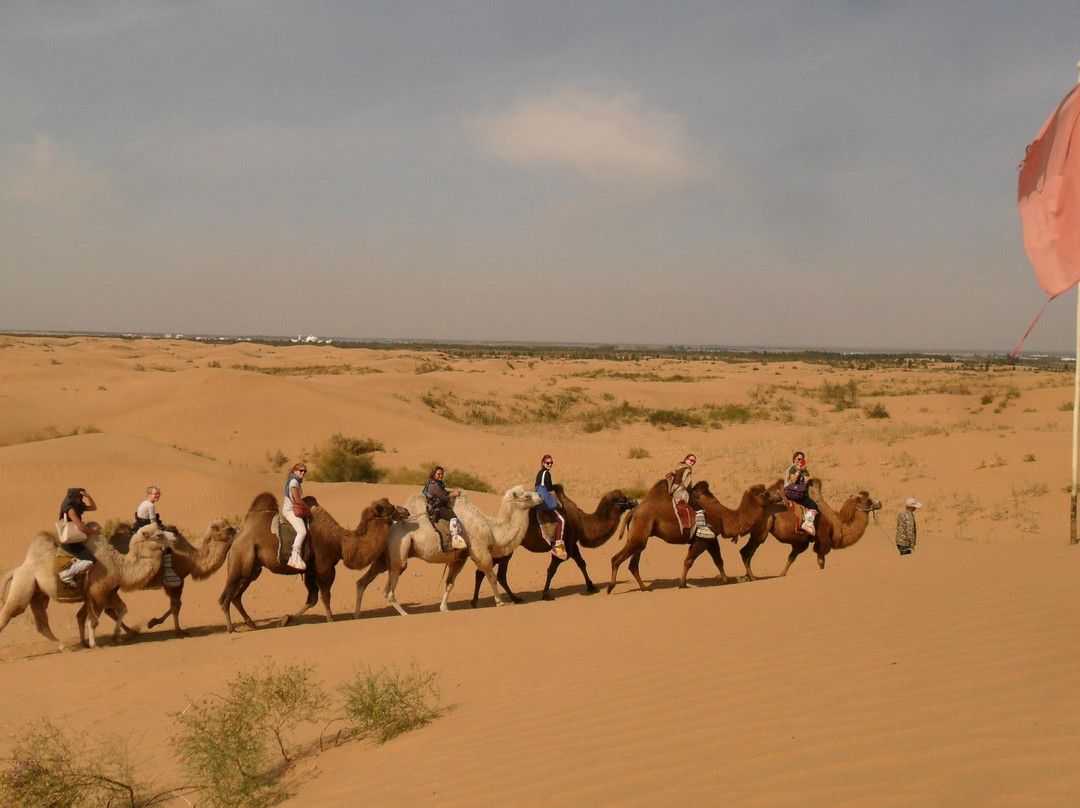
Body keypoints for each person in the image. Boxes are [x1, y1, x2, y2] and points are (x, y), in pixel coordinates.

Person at [133, 485, 181, 587]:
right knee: (170, 540)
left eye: (159, 493)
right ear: (149, 495)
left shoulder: (145, 503)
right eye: (156, 494)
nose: (158, 495)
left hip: (141, 528)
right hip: (147, 531)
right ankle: (167, 571)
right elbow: (153, 524)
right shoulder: (150, 506)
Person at [57, 487, 100, 586]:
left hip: (76, 539)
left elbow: (93, 508)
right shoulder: (70, 510)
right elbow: (81, 527)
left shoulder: (78, 507)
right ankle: (66, 575)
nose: (79, 499)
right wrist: (94, 532)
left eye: (80, 497)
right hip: (70, 542)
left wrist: (88, 496)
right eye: (77, 497)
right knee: (91, 560)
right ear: (72, 497)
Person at [668, 454, 715, 540]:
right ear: (686, 459)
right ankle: (702, 529)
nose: (692, 462)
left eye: (694, 462)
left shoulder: (680, 467)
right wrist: (693, 492)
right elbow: (686, 485)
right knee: (699, 508)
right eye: (691, 460)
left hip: (675, 492)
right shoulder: (686, 470)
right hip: (681, 493)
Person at [423, 466, 466, 550]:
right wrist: (453, 494)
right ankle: (455, 539)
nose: (440, 475)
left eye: (442, 474)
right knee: (453, 516)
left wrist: (452, 492)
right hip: (436, 508)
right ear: (434, 474)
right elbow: (444, 498)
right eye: (438, 474)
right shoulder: (433, 485)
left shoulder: (437, 484)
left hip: (437, 506)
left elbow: (444, 493)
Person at [535, 455, 567, 560]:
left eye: (551, 463)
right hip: (545, 503)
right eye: (547, 463)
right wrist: (558, 502)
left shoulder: (539, 473)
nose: (549, 465)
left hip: (539, 502)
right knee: (561, 520)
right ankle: (558, 548)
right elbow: (550, 490)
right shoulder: (547, 473)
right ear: (543, 463)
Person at [282, 463, 309, 570]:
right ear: (295, 471)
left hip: (290, 509)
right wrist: (307, 508)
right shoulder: (294, 482)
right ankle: (294, 557)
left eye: (304, 471)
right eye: (300, 470)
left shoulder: (295, 481)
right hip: (290, 511)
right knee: (302, 531)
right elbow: (297, 500)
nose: (302, 473)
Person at [784, 450, 819, 535]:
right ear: (794, 459)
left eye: (802, 459)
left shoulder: (799, 468)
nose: (800, 461)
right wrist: (798, 471)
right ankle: (808, 523)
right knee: (813, 505)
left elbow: (808, 475)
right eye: (798, 459)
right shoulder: (793, 468)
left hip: (796, 492)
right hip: (793, 492)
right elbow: (793, 480)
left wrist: (804, 469)